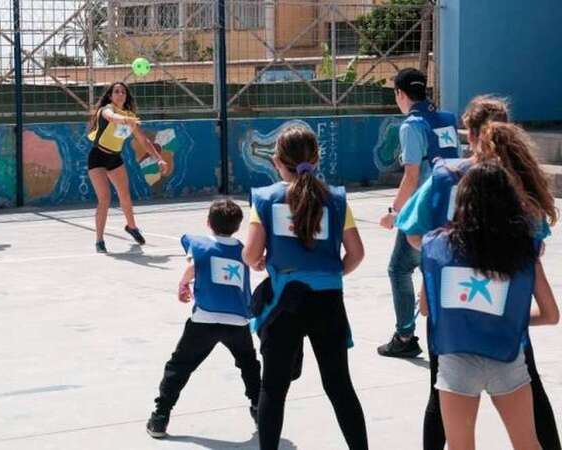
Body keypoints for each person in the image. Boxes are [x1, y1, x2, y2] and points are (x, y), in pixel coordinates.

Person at [397, 98, 561, 450]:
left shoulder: (446, 176)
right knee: (531, 404)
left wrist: (444, 253)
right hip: (505, 320)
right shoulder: (518, 179)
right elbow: (537, 242)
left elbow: (411, 229)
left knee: (440, 403)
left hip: (453, 320)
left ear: (469, 134)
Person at [419, 162, 559, 450]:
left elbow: (426, 308)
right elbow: (550, 314)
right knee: (528, 444)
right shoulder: (524, 250)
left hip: (456, 361)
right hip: (506, 357)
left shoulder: (436, 247)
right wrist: (510, 318)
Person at [243, 125, 367, 450]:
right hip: (328, 301)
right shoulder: (336, 199)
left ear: (276, 161)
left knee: (273, 388)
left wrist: (260, 262)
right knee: (339, 386)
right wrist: (331, 273)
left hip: (285, 302)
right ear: (317, 158)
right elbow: (356, 253)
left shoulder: (266, 199)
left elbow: (251, 254)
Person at [146, 199, 261, 439]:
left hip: (204, 320)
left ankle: (160, 416)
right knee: (249, 366)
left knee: (179, 366)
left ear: (208, 222)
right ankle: (260, 409)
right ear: (237, 226)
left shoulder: (199, 245)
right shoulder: (243, 250)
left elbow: (191, 267)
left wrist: (183, 283)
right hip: (238, 322)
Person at [378, 68, 460, 358]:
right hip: (452, 205)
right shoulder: (447, 119)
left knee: (399, 268)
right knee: (438, 266)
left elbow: (411, 176)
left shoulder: (412, 125)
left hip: (424, 209)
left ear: (400, 94)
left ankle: (404, 336)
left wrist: (394, 212)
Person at [86, 82, 169, 253]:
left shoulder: (130, 116)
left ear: (126, 96)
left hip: (114, 158)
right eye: (116, 91)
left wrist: (159, 159)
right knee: (105, 199)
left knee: (125, 194)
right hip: (97, 157)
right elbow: (112, 117)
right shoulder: (107, 109)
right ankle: (99, 240)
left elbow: (144, 141)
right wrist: (125, 120)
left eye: (123, 92)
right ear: (110, 96)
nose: (120, 94)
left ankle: (131, 227)